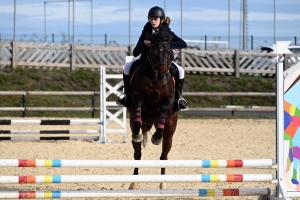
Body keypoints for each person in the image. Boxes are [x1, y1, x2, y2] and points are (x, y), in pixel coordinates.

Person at [116, 6, 188, 111]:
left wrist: (165, 45)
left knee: (181, 71)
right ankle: (126, 95)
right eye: (151, 19)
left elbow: (183, 44)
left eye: (155, 19)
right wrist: (144, 44)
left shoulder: (167, 32)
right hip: (146, 60)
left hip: (163, 61)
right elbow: (135, 52)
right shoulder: (146, 32)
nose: (153, 21)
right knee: (127, 67)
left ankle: (179, 99)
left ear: (161, 20)